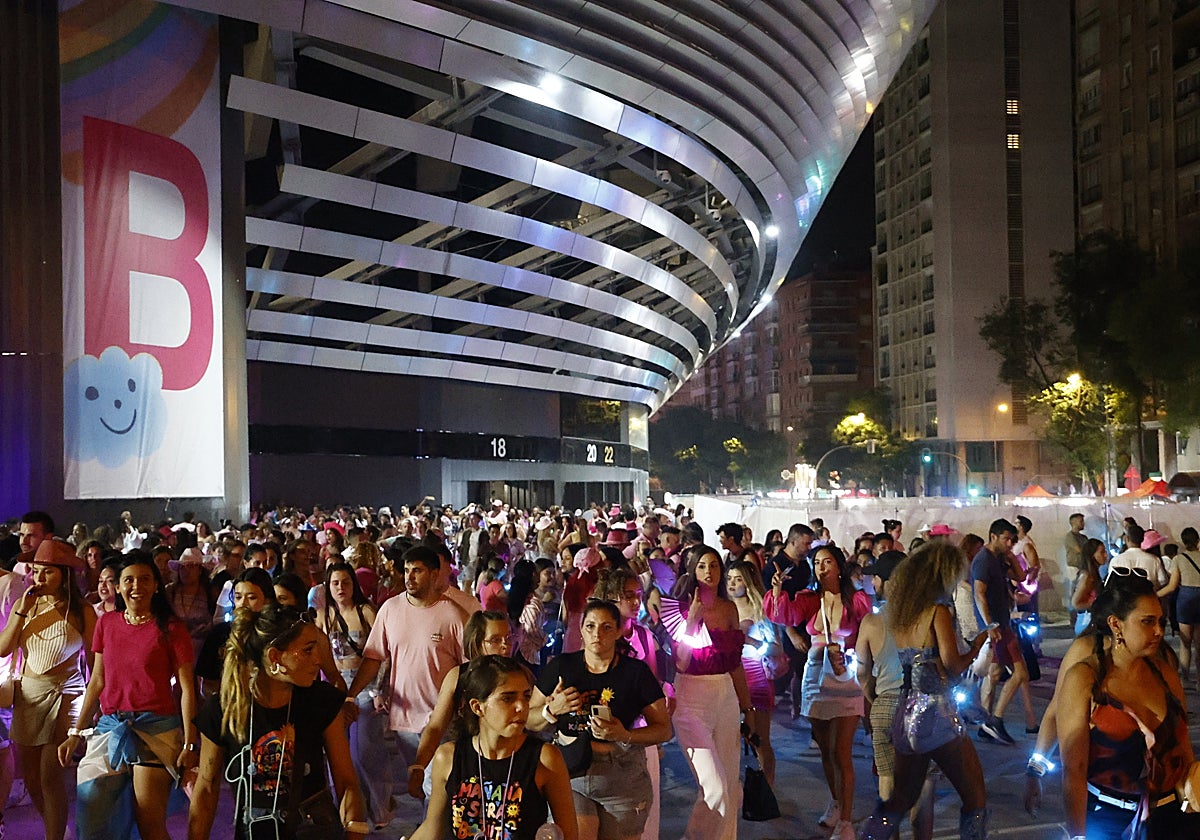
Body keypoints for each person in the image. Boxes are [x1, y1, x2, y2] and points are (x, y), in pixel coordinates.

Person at [188, 604, 369, 839]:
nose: (318, 660)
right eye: (307, 650)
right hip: (255, 830)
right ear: (275, 657)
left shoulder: (322, 700)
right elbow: (206, 787)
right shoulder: (224, 709)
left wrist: (354, 828)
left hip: (312, 828)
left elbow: (346, 782)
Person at [61, 552, 199, 840]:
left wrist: (189, 741)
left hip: (156, 730)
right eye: (129, 580)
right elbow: (97, 681)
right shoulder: (107, 624)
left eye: (145, 579)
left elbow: (187, 688)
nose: (137, 586)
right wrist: (75, 732)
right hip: (110, 728)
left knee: (149, 822)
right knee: (90, 817)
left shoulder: (171, 627)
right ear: (119, 586)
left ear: (157, 585)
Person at [859, 543, 991, 840]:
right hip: (937, 712)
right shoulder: (937, 611)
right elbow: (952, 665)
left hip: (906, 713)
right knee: (975, 798)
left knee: (899, 799)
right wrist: (977, 646)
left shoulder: (901, 613)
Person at [1057, 576, 1196, 838]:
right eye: (1147, 622)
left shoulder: (1164, 673)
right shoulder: (1085, 678)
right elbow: (1074, 770)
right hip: (1108, 819)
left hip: (1171, 816)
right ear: (1116, 624)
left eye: (1160, 621)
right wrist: (1077, 835)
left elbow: (1184, 746)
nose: (1159, 631)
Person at [530, 599, 670, 840]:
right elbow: (528, 720)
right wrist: (551, 710)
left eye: (606, 627)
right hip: (571, 771)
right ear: (581, 629)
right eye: (590, 626)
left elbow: (664, 730)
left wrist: (624, 735)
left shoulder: (635, 672)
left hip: (621, 774)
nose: (597, 634)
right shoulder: (562, 667)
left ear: (618, 632)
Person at [345, 545, 468, 816]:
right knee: (422, 786)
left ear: (435, 574)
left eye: (418, 571)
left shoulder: (453, 615)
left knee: (437, 785)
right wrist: (351, 695)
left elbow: (469, 669)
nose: (410, 577)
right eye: (407, 571)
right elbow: (374, 656)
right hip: (404, 722)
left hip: (443, 720)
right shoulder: (391, 609)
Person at [409, 655, 578, 840]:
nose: (521, 706)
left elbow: (568, 834)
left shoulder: (544, 758)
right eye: (508, 698)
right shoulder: (449, 757)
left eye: (526, 696)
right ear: (477, 707)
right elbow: (433, 828)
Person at [766, 544, 871, 840]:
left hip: (846, 675)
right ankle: (837, 801)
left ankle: (847, 822)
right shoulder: (808, 598)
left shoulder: (857, 600)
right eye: (817, 562)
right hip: (815, 675)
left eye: (827, 561)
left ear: (839, 566)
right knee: (825, 748)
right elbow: (783, 615)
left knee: (842, 752)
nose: (821, 567)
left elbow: (869, 631)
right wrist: (776, 591)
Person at [0, 540, 95, 840]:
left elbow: (94, 663)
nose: (39, 579)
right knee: (30, 777)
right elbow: (3, 649)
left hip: (66, 695)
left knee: (49, 775)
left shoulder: (83, 611)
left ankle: (54, 837)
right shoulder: (24, 605)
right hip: (28, 696)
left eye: (47, 572)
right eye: (36, 571)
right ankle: (57, 830)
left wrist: (93, 708)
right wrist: (21, 611)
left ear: (65, 574)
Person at [671, 547, 755, 840]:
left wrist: (749, 709)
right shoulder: (680, 609)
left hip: (726, 696)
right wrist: (692, 620)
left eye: (715, 566)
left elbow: (736, 665)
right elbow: (680, 661)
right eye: (703, 566)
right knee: (714, 788)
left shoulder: (729, 608)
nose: (710, 572)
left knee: (731, 786)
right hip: (691, 696)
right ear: (693, 571)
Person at [593, 568, 672, 840]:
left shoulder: (643, 636)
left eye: (638, 595)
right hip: (603, 730)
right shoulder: (598, 638)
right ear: (611, 598)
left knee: (643, 805)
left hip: (637, 731)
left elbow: (653, 687)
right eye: (628, 596)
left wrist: (656, 736)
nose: (636, 601)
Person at [315, 562, 391, 829]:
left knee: (365, 752)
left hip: (365, 688)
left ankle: (379, 808)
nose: (340, 588)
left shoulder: (366, 611)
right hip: (336, 691)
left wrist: (378, 689)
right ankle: (348, 812)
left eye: (345, 582)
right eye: (335, 583)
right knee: (341, 755)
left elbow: (383, 654)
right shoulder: (323, 617)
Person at [970, 518, 1025, 746]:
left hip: (1002, 624)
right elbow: (978, 593)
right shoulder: (983, 560)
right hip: (997, 627)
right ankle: (996, 719)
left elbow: (1021, 578)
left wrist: (1011, 557)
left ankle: (986, 720)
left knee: (994, 673)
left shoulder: (998, 559)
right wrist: (990, 624)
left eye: (1012, 539)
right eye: (1006, 538)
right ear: (993, 536)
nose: (1010, 543)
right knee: (1021, 673)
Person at [726, 560, 780, 785]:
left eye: (738, 579)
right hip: (728, 674)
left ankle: (767, 785)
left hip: (754, 673)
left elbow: (776, 647)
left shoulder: (759, 610)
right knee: (730, 736)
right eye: (729, 578)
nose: (732, 584)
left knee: (759, 737)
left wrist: (750, 640)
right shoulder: (721, 608)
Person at [1162, 527, 1200, 688]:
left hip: (1185, 600)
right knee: (1199, 644)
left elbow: (1172, 587)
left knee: (1185, 643)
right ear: (1198, 540)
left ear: (1183, 542)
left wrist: (1154, 595)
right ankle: (1199, 680)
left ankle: (1185, 679)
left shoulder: (1178, 559)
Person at [1071, 539, 1108, 637]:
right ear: (1092, 555)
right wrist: (1098, 605)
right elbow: (1076, 603)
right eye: (1102, 552)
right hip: (1086, 623)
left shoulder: (1093, 574)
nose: (1105, 555)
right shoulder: (1087, 577)